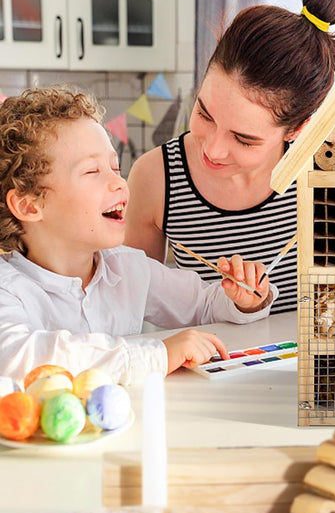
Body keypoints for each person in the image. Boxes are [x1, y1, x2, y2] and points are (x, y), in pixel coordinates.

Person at [0, 87, 276, 387]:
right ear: (29, 205)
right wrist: (158, 355)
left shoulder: (128, 268)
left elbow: (203, 305)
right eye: (92, 171)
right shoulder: (7, 288)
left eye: (115, 167)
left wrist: (244, 299)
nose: (119, 182)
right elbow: (17, 357)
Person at [124, 0, 335, 314]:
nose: (213, 149)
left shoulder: (325, 174)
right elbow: (132, 305)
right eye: (204, 113)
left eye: (244, 139)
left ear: (297, 129)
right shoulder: (155, 178)